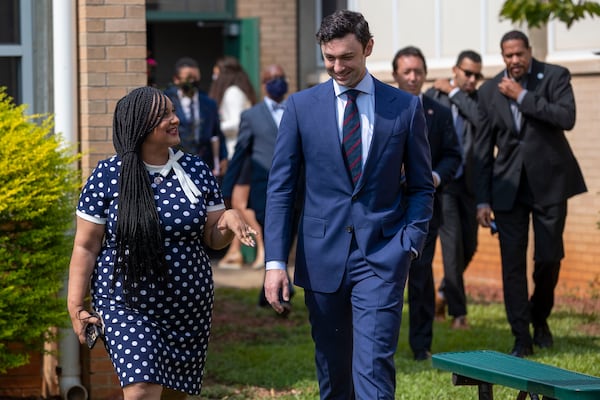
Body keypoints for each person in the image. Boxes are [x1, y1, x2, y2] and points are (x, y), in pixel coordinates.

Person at [264, 10, 434, 398]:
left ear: (368, 48)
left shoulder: (404, 108)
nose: (337, 67)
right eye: (329, 58)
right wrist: (275, 262)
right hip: (321, 257)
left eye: (347, 57)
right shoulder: (300, 107)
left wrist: (409, 242)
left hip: (383, 253)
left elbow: (422, 186)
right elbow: (281, 189)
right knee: (334, 370)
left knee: (373, 366)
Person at [66, 86, 256, 400]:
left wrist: (229, 220)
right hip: (126, 302)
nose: (175, 119)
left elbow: (213, 238)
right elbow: (86, 247)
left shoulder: (195, 170)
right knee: (141, 389)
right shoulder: (108, 175)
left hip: (186, 304)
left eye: (173, 111)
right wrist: (76, 307)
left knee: (170, 394)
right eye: (164, 114)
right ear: (141, 124)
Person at [475, 30, 587, 358]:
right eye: (508, 55)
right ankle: (521, 336)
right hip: (508, 189)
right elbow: (482, 150)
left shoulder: (554, 77)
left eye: (519, 54)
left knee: (548, 257)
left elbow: (567, 118)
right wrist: (482, 199)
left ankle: (540, 317)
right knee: (512, 264)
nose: (514, 61)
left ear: (529, 51)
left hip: (550, 184)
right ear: (502, 56)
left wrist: (523, 96)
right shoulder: (488, 91)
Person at [392, 46, 462, 361]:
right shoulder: (380, 109)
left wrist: (434, 176)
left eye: (418, 71)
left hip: (423, 206)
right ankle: (380, 341)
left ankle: (421, 345)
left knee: (420, 274)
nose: (412, 77)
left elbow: (453, 155)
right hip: (384, 206)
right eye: (406, 72)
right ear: (395, 75)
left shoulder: (439, 112)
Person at [221, 64, 296, 314]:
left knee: (289, 234)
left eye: (281, 78)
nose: (278, 82)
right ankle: (279, 289)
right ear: (264, 84)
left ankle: (276, 286)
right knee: (275, 233)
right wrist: (226, 189)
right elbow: (240, 153)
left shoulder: (297, 109)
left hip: (297, 187)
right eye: (272, 78)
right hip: (265, 189)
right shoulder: (251, 116)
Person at [425, 50, 483, 329]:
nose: (472, 79)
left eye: (476, 75)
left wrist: (456, 92)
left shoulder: (475, 100)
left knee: (469, 246)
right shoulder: (434, 96)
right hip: (444, 183)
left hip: (469, 185)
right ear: (455, 69)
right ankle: (459, 314)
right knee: (451, 247)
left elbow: (482, 121)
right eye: (467, 73)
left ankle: (443, 293)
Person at [208, 56, 260, 269]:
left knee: (239, 204)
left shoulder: (232, 93)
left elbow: (239, 122)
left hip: (237, 155)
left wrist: (216, 124)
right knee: (231, 205)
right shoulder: (237, 92)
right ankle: (235, 251)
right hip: (234, 153)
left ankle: (262, 250)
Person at [163, 57, 228, 179]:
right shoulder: (167, 100)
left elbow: (217, 133)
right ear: (177, 79)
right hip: (174, 162)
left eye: (195, 78)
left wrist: (222, 157)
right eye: (188, 78)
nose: (192, 81)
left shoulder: (208, 103)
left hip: (203, 163)